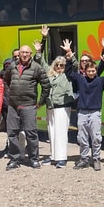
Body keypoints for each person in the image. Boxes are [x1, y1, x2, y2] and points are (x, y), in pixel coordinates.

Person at [62, 39, 104, 170]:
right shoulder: (80, 78)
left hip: (95, 112)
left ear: (96, 71)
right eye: (89, 71)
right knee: (82, 137)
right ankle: (84, 158)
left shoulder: (100, 81)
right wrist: (68, 58)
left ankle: (96, 158)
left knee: (96, 137)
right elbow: (68, 72)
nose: (91, 73)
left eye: (93, 71)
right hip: (82, 112)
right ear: (84, 71)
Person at [3, 44, 51, 170]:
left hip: (29, 105)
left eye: (27, 53)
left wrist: (40, 102)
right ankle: (14, 159)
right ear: (19, 54)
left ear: (30, 54)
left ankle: (33, 159)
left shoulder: (36, 67)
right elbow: (6, 80)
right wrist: (10, 93)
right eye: (22, 52)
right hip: (13, 106)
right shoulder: (12, 66)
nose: (24, 55)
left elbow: (46, 85)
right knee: (12, 133)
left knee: (31, 133)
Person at [34, 30, 75, 169]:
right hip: (51, 107)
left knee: (61, 132)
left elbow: (74, 66)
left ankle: (62, 158)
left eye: (61, 65)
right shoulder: (50, 73)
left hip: (63, 106)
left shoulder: (68, 75)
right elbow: (40, 60)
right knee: (52, 132)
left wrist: (69, 53)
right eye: (57, 65)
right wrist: (43, 41)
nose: (59, 67)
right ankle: (53, 156)